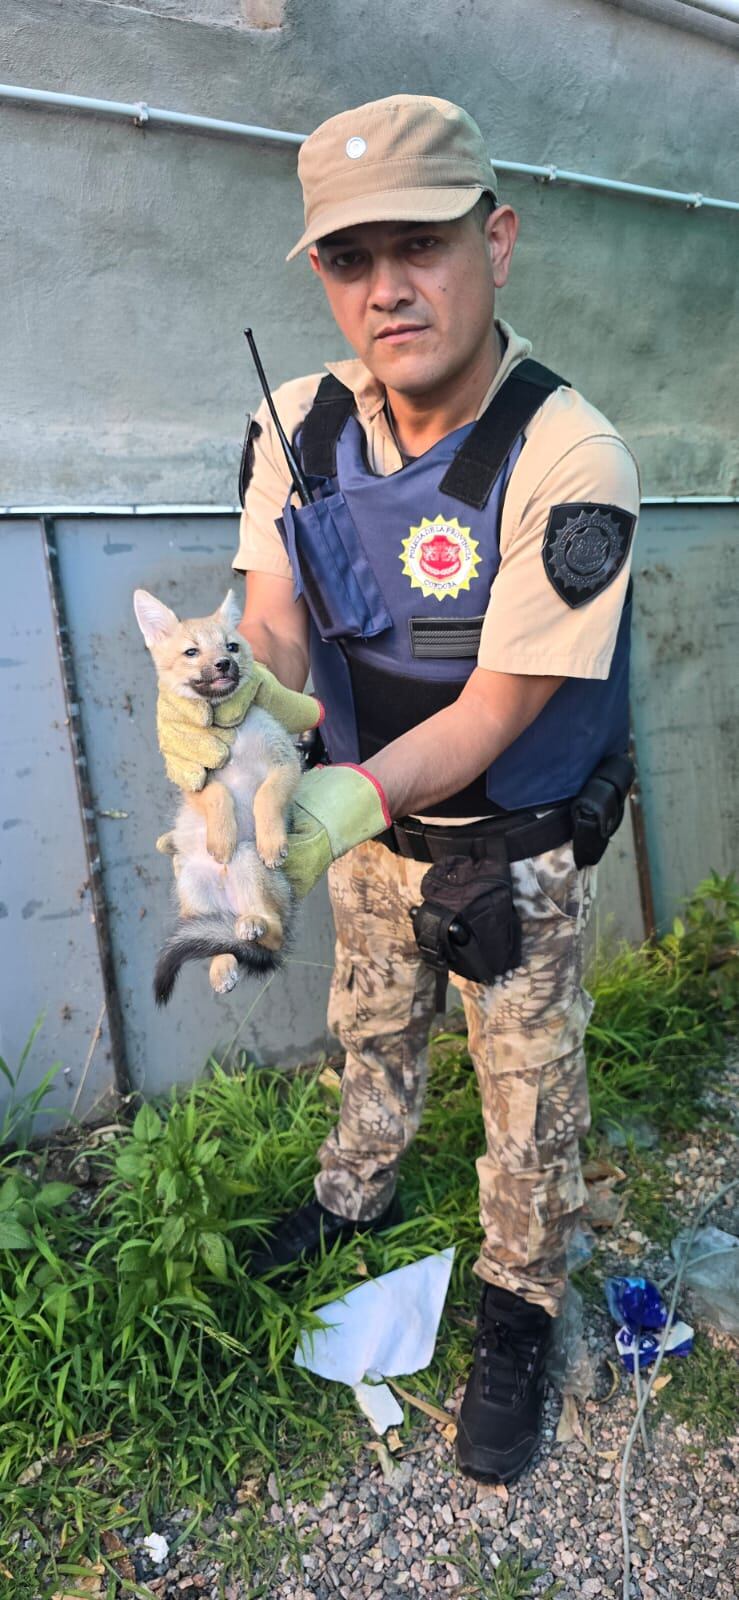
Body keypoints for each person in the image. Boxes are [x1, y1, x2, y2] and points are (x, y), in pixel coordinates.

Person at [157, 93, 639, 1484]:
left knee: (527, 1097)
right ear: (321, 273)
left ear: (496, 239)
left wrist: (340, 797)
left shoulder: (569, 454)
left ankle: (518, 1299)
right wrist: (240, 726)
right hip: (365, 827)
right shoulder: (294, 419)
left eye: (420, 246)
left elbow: (499, 705)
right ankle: (354, 1194)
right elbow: (278, 623)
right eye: (349, 258)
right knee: (369, 1032)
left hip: (514, 848)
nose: (388, 288)